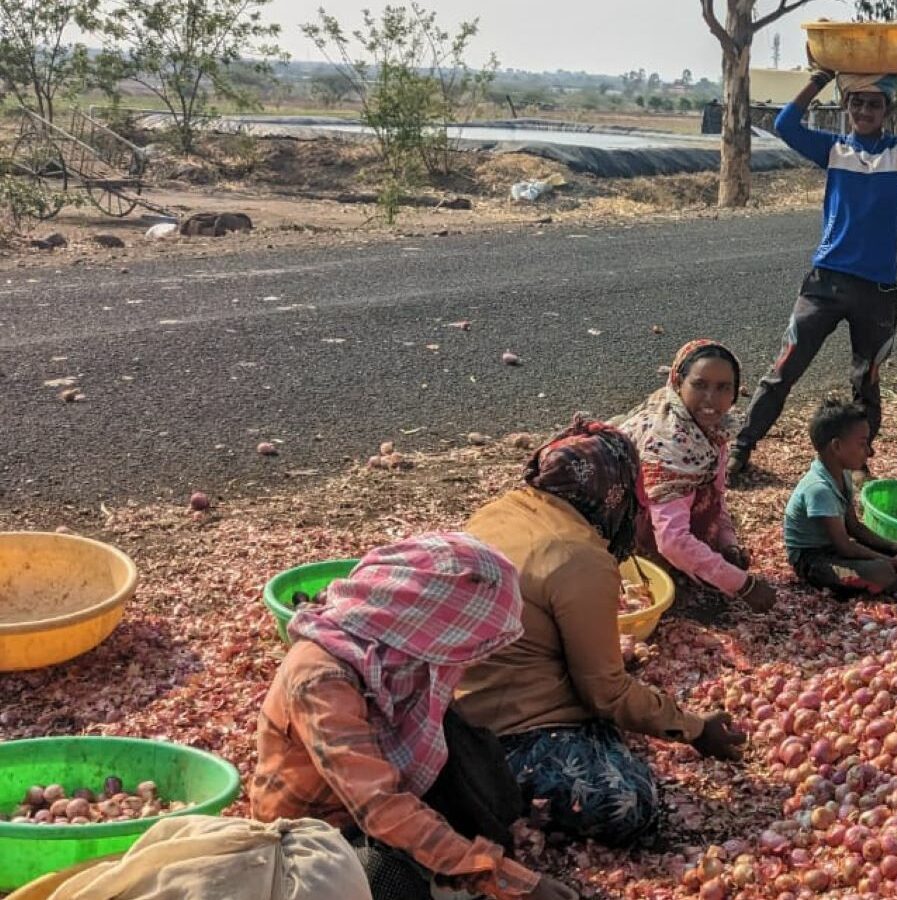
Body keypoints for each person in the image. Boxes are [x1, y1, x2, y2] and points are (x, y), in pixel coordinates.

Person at [457, 417, 747, 847]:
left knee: (621, 700)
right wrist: (695, 729)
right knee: (630, 802)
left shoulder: (499, 510)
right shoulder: (580, 556)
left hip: (457, 711)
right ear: (611, 492)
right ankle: (499, 794)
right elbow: (604, 692)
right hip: (503, 734)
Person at [250, 533, 580, 900]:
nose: (478, 657)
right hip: (322, 829)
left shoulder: (405, 652)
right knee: (386, 881)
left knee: (475, 756)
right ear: (435, 625)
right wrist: (504, 879)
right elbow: (379, 806)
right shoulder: (322, 679)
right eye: (472, 641)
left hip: (382, 794)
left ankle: (455, 867)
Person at [728, 58, 897, 477]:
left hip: (877, 292)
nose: (865, 112)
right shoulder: (833, 150)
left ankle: (859, 464)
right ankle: (741, 449)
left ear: (888, 111)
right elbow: (786, 124)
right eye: (856, 104)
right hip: (825, 283)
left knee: (866, 383)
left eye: (874, 105)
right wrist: (819, 79)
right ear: (846, 108)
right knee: (784, 371)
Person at [614, 340, 777, 614]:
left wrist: (728, 544)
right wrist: (743, 586)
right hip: (619, 535)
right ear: (678, 382)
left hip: (659, 525)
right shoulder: (669, 440)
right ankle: (652, 566)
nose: (711, 399)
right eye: (700, 385)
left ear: (735, 392)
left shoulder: (711, 431)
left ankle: (684, 567)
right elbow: (672, 540)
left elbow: (717, 492)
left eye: (723, 387)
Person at [784, 399, 897, 595]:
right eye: (862, 444)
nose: (869, 451)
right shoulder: (819, 489)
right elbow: (845, 547)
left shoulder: (843, 474)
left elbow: (854, 527)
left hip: (834, 550)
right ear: (837, 446)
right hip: (814, 562)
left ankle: (891, 576)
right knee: (880, 572)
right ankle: (888, 578)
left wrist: (896, 546)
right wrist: (891, 561)